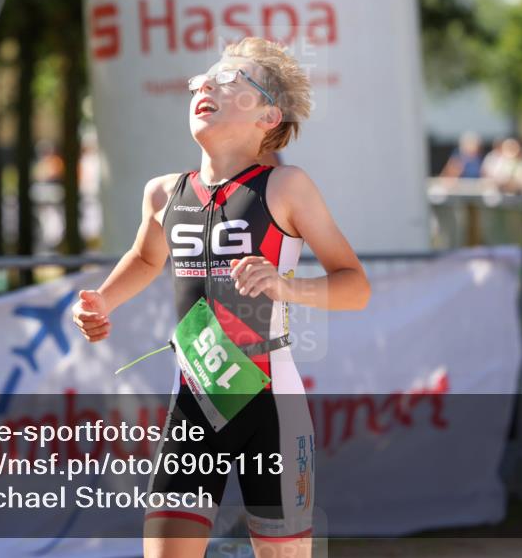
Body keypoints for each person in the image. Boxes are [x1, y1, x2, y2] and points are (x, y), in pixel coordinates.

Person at [71, 37, 371, 558]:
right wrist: (101, 301)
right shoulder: (164, 192)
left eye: (231, 80)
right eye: (202, 78)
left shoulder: (285, 187)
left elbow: (355, 286)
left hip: (270, 407)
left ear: (268, 115)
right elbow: (146, 260)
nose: (206, 84)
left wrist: (286, 287)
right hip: (192, 402)